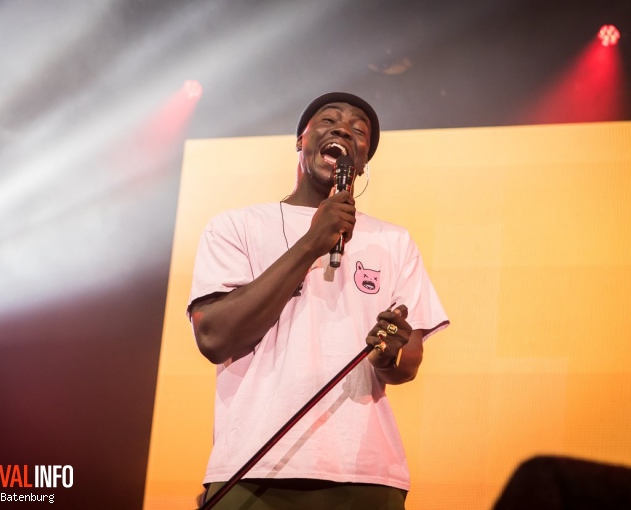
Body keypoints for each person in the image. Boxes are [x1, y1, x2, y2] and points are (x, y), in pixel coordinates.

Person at [188, 92, 449, 509]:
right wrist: (313, 241)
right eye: (328, 121)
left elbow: (408, 362)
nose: (343, 128)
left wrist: (387, 355)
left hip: (365, 473)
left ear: (362, 163)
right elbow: (215, 337)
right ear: (300, 140)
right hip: (252, 469)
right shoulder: (236, 226)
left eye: (359, 130)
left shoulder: (394, 241)